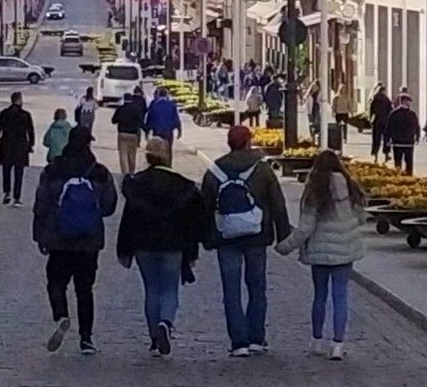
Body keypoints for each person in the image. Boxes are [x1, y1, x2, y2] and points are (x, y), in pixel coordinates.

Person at [203, 125, 291, 357]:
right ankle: (256, 338)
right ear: (247, 142)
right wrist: (283, 235)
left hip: (226, 236)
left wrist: (206, 237)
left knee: (231, 290)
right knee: (257, 287)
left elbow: (205, 207)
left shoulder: (215, 170)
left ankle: (238, 341)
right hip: (257, 235)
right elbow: (278, 203)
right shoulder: (262, 170)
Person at [30, 127, 117, 355]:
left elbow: (42, 203)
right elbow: (109, 207)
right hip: (89, 241)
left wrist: (40, 235)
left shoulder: (53, 170)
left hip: (59, 239)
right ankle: (86, 339)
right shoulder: (99, 172)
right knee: (85, 289)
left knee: (56, 282)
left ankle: (61, 315)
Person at [116, 137, 205, 357]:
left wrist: (124, 249)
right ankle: (166, 322)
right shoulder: (183, 186)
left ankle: (155, 337)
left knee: (151, 290)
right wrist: (192, 251)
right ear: (166, 155)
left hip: (144, 245)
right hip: (173, 245)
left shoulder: (136, 184)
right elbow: (192, 223)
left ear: (147, 155)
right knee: (169, 289)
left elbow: (128, 219)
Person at [275, 150, 366, 361]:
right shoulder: (351, 188)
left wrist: (285, 246)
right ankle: (337, 345)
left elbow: (305, 228)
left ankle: (316, 341)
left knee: (320, 296)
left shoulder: (315, 191)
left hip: (320, 252)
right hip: (345, 251)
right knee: (341, 297)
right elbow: (361, 218)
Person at [0, 91, 36, 206]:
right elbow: (30, 131)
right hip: (21, 146)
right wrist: (31, 145)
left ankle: (7, 193)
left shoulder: (4, 113)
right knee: (19, 172)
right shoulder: (26, 115)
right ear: (19, 100)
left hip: (6, 145)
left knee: (6, 171)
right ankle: (17, 197)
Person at [111, 91, 147, 176]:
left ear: (124, 99)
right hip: (133, 134)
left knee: (123, 154)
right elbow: (141, 122)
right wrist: (146, 130)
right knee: (132, 154)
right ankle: (131, 172)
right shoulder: (136, 109)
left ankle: (125, 174)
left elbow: (113, 121)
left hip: (122, 133)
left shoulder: (120, 109)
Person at [143, 87, 183, 163]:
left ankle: (158, 164)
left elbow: (150, 119)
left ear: (158, 94)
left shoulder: (154, 105)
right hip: (168, 132)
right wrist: (179, 131)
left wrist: (147, 131)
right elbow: (176, 120)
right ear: (167, 95)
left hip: (157, 132)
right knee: (168, 150)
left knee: (157, 150)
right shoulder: (172, 105)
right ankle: (168, 165)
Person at [385, 95, 420, 172]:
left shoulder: (394, 114)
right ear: (403, 102)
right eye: (407, 102)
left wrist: (387, 140)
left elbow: (388, 128)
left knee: (399, 163)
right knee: (408, 163)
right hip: (406, 142)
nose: (409, 103)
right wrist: (417, 137)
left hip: (400, 142)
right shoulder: (412, 114)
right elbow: (417, 127)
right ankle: (408, 178)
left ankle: (399, 178)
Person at [367, 84, 392, 160]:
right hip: (385, 121)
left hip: (376, 121)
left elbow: (371, 110)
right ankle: (386, 154)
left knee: (376, 139)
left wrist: (370, 119)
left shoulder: (374, 98)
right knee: (386, 138)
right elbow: (390, 110)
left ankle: (375, 155)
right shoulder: (386, 99)